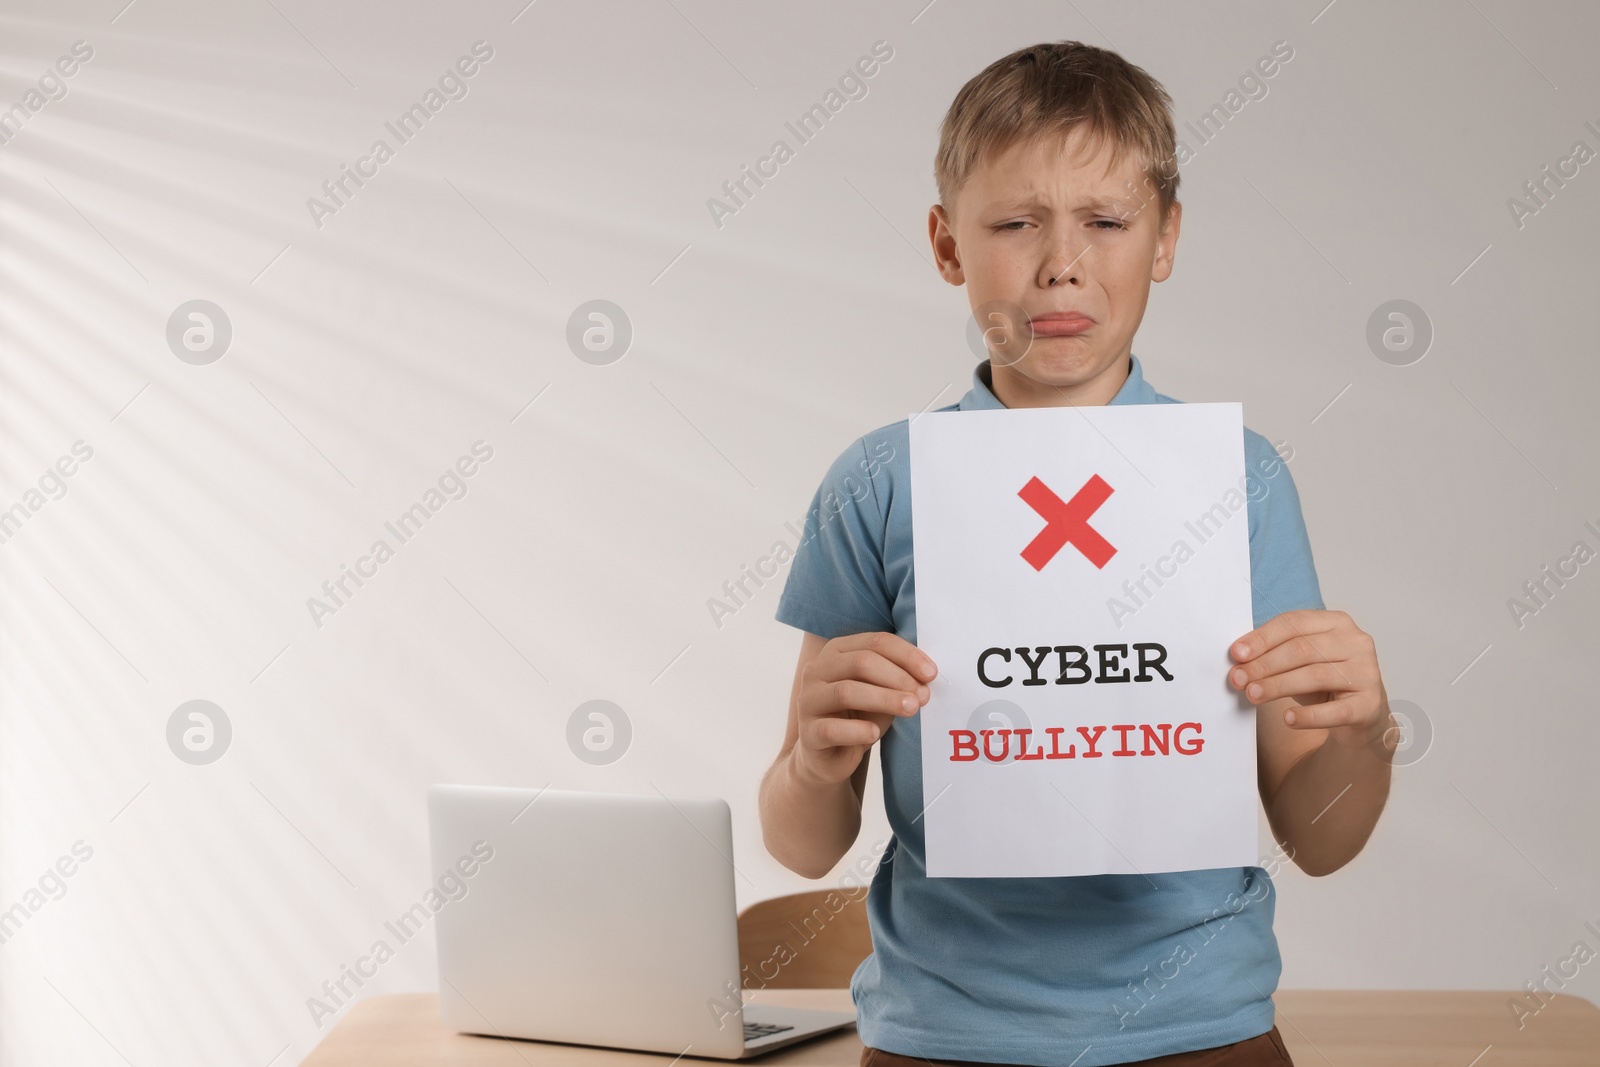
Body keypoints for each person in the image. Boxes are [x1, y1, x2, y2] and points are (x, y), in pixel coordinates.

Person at [759, 40, 1399, 1067]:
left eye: (1105, 221)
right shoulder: (880, 481)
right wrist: (812, 758)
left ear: (1164, 239)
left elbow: (1320, 838)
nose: (1061, 261)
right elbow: (802, 837)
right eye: (1015, 223)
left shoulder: (1237, 478)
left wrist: (1366, 728)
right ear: (945, 243)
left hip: (1204, 1030)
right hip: (940, 1033)